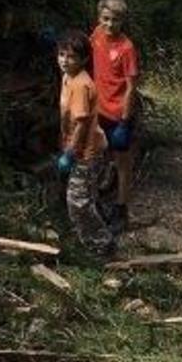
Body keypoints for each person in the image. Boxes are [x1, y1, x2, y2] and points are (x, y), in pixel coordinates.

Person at [56, 29, 116, 263]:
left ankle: (103, 243)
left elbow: (81, 124)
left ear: (83, 60)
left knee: (77, 201)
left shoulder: (80, 84)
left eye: (71, 57)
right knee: (86, 196)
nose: (64, 60)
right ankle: (89, 236)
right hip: (79, 147)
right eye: (61, 54)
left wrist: (71, 152)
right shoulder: (67, 77)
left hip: (87, 151)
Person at [90, 0, 140, 233]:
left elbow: (131, 86)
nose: (110, 24)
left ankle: (122, 209)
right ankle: (97, 203)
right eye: (106, 19)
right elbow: (82, 51)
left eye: (115, 20)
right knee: (97, 157)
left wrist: (125, 120)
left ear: (123, 21)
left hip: (119, 114)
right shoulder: (97, 35)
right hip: (97, 111)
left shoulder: (126, 47)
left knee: (122, 163)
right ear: (100, 18)